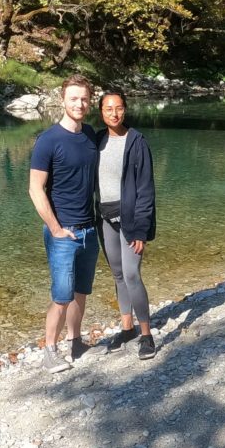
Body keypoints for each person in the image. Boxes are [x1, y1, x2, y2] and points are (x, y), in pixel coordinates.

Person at [28, 75, 100, 371]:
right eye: (73, 98)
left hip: (90, 229)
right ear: (62, 100)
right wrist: (56, 229)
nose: (79, 104)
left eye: (84, 99)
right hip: (63, 232)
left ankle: (75, 340)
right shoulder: (48, 140)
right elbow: (35, 189)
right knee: (61, 296)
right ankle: (49, 351)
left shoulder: (91, 135)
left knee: (81, 292)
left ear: (89, 101)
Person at [95, 89, 157, 359]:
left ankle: (146, 334)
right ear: (101, 112)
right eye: (108, 109)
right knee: (118, 274)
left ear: (125, 110)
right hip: (104, 217)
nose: (114, 113)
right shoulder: (95, 140)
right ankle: (127, 328)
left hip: (131, 218)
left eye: (118, 108)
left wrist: (142, 228)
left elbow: (145, 188)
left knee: (132, 274)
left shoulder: (137, 142)